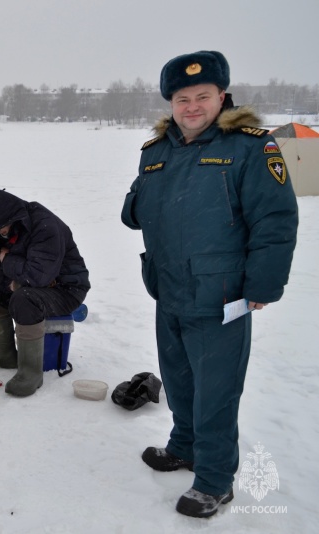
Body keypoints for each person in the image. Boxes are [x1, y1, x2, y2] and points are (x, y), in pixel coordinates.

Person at [121, 51, 298, 518]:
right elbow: (135, 209)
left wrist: (263, 285)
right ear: (171, 103)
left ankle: (216, 479)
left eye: (203, 96)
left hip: (223, 296)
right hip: (169, 289)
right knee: (178, 380)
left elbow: (275, 220)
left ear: (222, 96)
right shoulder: (156, 152)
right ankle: (184, 446)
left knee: (216, 392)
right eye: (183, 98)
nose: (192, 106)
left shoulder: (249, 147)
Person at [0, 189, 90, 397]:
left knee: (25, 299)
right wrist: (13, 283)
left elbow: (37, 276)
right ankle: (3, 354)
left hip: (66, 290)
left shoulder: (46, 226)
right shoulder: (1, 229)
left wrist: (7, 261)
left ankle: (31, 372)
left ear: (10, 217)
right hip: (24, 287)